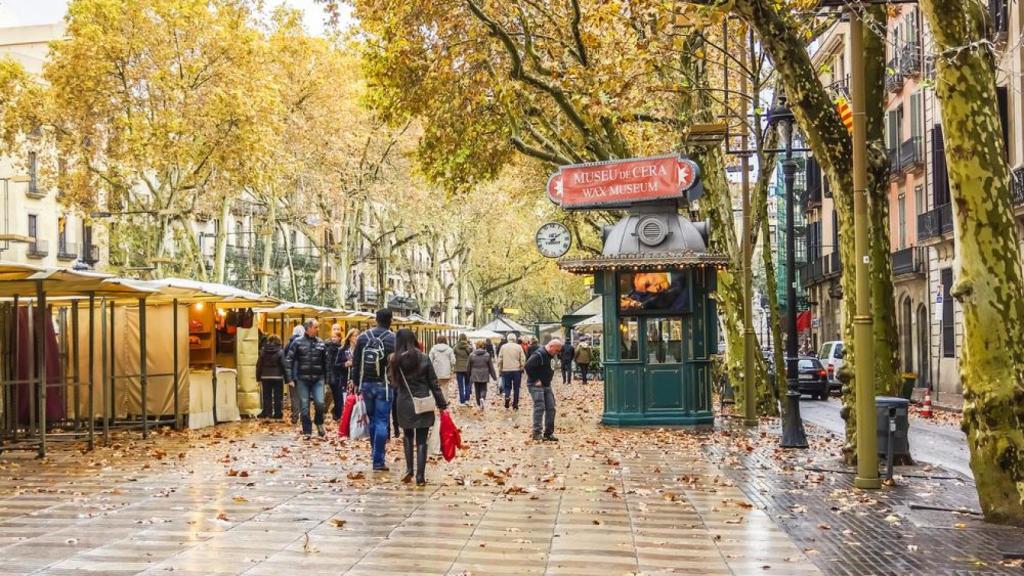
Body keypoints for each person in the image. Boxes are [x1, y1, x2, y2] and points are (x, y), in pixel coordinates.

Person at [390, 329, 448, 486]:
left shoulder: (395, 359)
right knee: (422, 439)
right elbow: (434, 384)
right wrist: (442, 404)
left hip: (404, 402)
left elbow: (392, 382)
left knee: (407, 436)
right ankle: (420, 476)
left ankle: (409, 469)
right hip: (423, 402)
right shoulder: (423, 358)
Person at [351, 308, 397, 471]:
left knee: (371, 420)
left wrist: (356, 382)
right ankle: (378, 460)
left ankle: (375, 452)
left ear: (375, 319)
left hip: (366, 385)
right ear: (390, 320)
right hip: (384, 386)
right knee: (382, 422)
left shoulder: (363, 337)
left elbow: (356, 362)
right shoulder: (393, 338)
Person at [285, 319, 328, 439]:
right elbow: (289, 361)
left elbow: (326, 363)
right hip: (302, 379)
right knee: (304, 406)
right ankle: (307, 431)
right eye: (316, 327)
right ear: (308, 328)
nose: (318, 329)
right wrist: (289, 379)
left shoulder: (321, 343)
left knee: (320, 403)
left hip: (318, 378)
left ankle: (319, 422)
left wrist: (327, 380)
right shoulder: (297, 342)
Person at [524, 338, 563, 442]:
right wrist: (536, 379)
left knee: (551, 408)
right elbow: (527, 366)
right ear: (550, 347)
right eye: (557, 350)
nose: (558, 353)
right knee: (540, 407)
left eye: (559, 351)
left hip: (546, 385)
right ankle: (536, 433)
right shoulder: (539, 354)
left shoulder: (552, 354)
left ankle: (548, 433)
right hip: (535, 385)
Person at [256, 335, 286, 419]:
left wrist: (258, 377)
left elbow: (259, 365)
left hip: (265, 376)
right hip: (278, 377)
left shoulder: (263, 351)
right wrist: (287, 378)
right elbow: (284, 365)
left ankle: (268, 412)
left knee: (266, 395)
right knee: (277, 396)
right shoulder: (280, 351)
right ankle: (277, 413)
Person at [332, 328, 359, 419]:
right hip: (345, 381)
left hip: (357, 381)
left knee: (357, 403)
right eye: (355, 336)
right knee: (346, 402)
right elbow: (336, 365)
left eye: (358, 336)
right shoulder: (342, 350)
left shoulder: (361, 350)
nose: (357, 338)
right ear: (350, 337)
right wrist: (345, 364)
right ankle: (347, 422)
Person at [496, 332, 527, 410]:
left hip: (506, 370)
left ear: (508, 339)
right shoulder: (519, 347)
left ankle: (507, 397)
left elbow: (500, 359)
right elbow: (523, 359)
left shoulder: (503, 347)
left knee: (507, 386)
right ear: (515, 339)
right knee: (516, 387)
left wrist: (500, 369)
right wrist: (522, 367)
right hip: (516, 370)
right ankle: (515, 404)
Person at [284, 325, 305, 425]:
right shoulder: (304, 343)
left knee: (294, 396)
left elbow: (285, 360)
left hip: (292, 374)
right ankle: (303, 416)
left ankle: (295, 416)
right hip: (303, 373)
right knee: (303, 396)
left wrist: (288, 377)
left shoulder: (289, 344)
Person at [324, 324, 344, 421]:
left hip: (338, 376)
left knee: (338, 397)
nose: (335, 331)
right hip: (328, 375)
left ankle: (337, 415)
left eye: (338, 329)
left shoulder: (343, 347)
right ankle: (323, 413)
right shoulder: (325, 345)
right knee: (326, 396)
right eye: (334, 329)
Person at [468, 340, 496, 409]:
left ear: (476, 346)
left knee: (477, 389)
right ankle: (482, 398)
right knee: (484, 388)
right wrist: (494, 377)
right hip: (484, 374)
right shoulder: (487, 355)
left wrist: (468, 375)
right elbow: (491, 367)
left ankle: (478, 403)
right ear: (484, 346)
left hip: (475, 374)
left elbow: (469, 366)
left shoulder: (471, 355)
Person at [428, 334, 457, 399]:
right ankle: (444, 403)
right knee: (445, 388)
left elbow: (429, 360)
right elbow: (453, 361)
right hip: (446, 372)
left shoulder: (433, 349)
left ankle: (436, 402)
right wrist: (451, 368)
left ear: (437, 340)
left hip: (436, 372)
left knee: (436, 388)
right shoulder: (449, 349)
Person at [453, 334, 473, 406]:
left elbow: (453, 356)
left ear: (459, 338)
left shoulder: (455, 347)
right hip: (467, 368)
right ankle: (467, 399)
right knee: (467, 384)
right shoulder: (470, 347)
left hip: (458, 368)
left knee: (460, 385)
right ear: (465, 338)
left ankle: (462, 401)